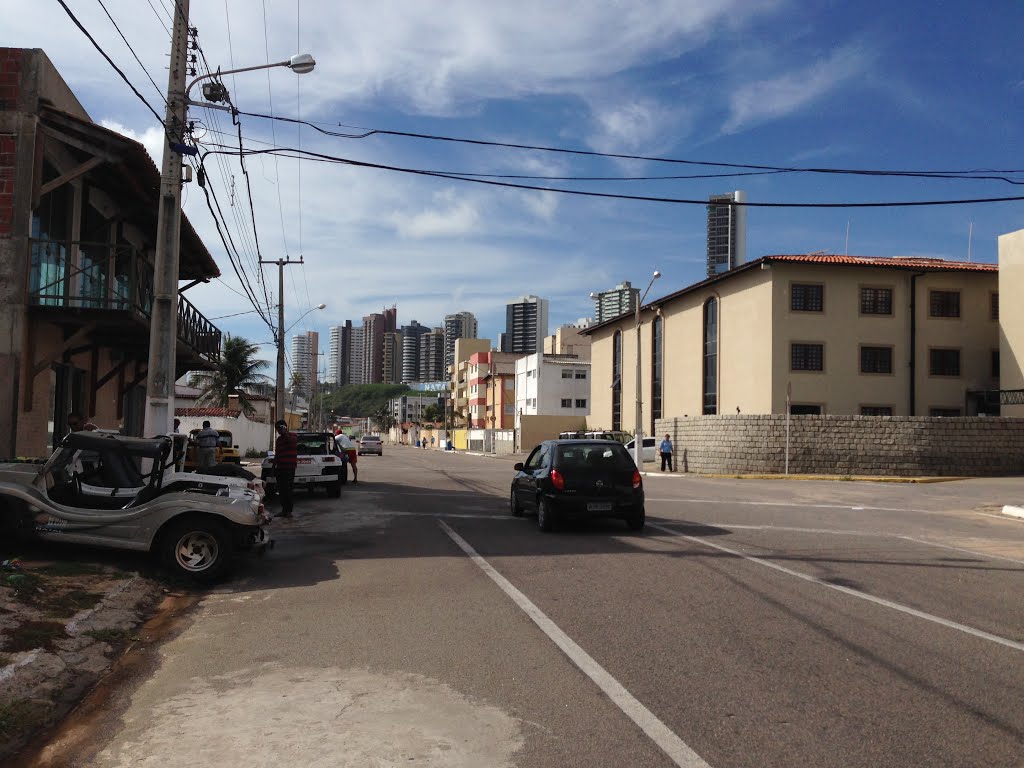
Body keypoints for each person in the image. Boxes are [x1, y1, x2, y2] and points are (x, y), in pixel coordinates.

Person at [273, 419, 298, 517]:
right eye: (277, 429)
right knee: (281, 490)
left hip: (289, 468)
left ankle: (289, 511)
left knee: (288, 489)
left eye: (280, 428)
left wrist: (285, 433)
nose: (278, 430)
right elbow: (277, 454)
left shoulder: (293, 436)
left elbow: (292, 443)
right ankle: (284, 509)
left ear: (285, 427)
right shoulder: (279, 440)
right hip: (280, 467)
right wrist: (273, 467)